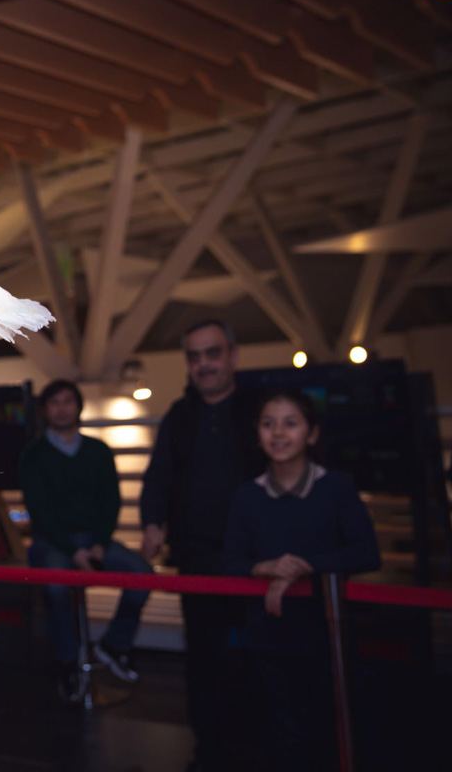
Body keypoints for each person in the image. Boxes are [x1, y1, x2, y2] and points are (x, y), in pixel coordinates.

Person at [224, 390, 380, 772]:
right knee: (275, 733)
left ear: (311, 434)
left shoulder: (337, 488)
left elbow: (366, 553)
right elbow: (229, 562)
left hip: (327, 633)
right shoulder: (247, 495)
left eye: (290, 423)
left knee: (330, 733)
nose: (278, 433)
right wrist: (265, 567)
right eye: (268, 423)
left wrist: (303, 566)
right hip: (266, 635)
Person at [139, 319, 261, 771]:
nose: (204, 364)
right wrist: (152, 523)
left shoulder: (258, 410)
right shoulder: (179, 416)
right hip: (197, 557)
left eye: (212, 353)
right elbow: (159, 476)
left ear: (232, 355)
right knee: (205, 657)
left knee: (258, 654)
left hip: (256, 560)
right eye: (195, 356)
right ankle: (208, 746)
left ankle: (258, 742)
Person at [20, 380, 151, 692]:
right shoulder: (33, 455)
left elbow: (111, 501)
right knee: (55, 587)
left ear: (78, 406)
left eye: (68, 401)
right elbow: (39, 511)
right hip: (52, 543)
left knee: (143, 574)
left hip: (95, 540)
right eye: (55, 402)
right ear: (44, 410)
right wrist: (73, 550)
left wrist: (100, 544)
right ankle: (67, 663)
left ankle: (114, 646)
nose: (62, 408)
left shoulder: (98, 451)